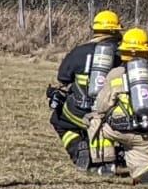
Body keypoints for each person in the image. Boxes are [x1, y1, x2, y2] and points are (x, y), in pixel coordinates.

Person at [85, 27, 148, 185]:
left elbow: (101, 106)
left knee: (93, 119)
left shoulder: (115, 74)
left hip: (118, 131)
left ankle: (106, 162)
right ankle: (145, 169)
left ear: (124, 51)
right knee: (139, 159)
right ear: (147, 50)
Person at [48, 9, 124, 175]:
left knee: (58, 120)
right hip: (114, 115)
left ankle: (77, 146)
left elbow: (63, 78)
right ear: (116, 30)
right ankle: (121, 154)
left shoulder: (78, 52)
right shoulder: (123, 55)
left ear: (95, 30)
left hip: (79, 112)